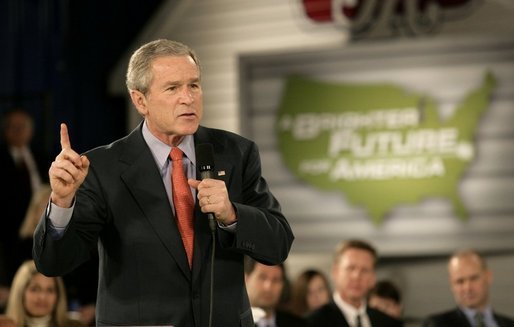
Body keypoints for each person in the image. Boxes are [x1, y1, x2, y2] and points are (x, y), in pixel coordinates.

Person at [32, 38, 294, 327]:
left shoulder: (236, 153)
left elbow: (278, 243)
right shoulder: (101, 168)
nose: (188, 98)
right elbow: (53, 263)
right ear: (140, 100)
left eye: (193, 85)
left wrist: (232, 214)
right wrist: (62, 202)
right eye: (173, 88)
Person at [0, 108, 50, 312]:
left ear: (31, 130)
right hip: (9, 236)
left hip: (42, 233)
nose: (18, 131)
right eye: (13, 127)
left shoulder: (42, 157)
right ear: (5, 131)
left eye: (23, 127)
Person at [306, 239, 403, 327]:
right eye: (350, 268)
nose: (356, 276)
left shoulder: (390, 324)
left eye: (364, 270)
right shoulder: (312, 323)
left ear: (373, 278)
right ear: (335, 272)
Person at [422, 249, 514, 327]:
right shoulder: (437, 324)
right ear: (451, 284)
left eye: (474, 278)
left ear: (488, 277)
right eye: (460, 281)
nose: (468, 288)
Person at [4, 260, 83, 327]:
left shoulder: (75, 325)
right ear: (20, 293)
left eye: (50, 290)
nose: (42, 297)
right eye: (35, 289)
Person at [244, 256, 307, 327]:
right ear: (246, 279)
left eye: (276, 280)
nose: (268, 287)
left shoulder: (298, 324)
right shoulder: (232, 323)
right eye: (262, 277)